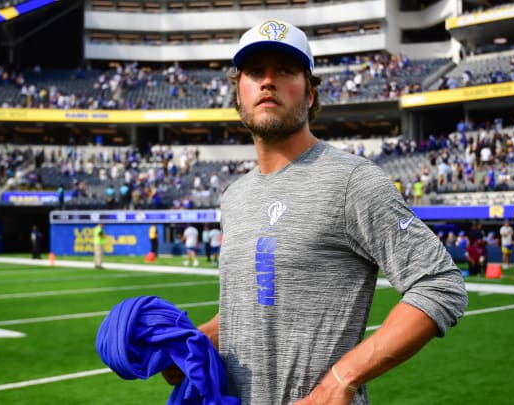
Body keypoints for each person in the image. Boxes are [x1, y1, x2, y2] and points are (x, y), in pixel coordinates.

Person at [162, 20, 468, 404]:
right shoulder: (234, 197)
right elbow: (256, 306)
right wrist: (195, 343)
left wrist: (342, 378)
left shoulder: (352, 180)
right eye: (255, 72)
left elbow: (439, 282)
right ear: (237, 94)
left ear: (310, 94)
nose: (268, 82)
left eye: (285, 70)